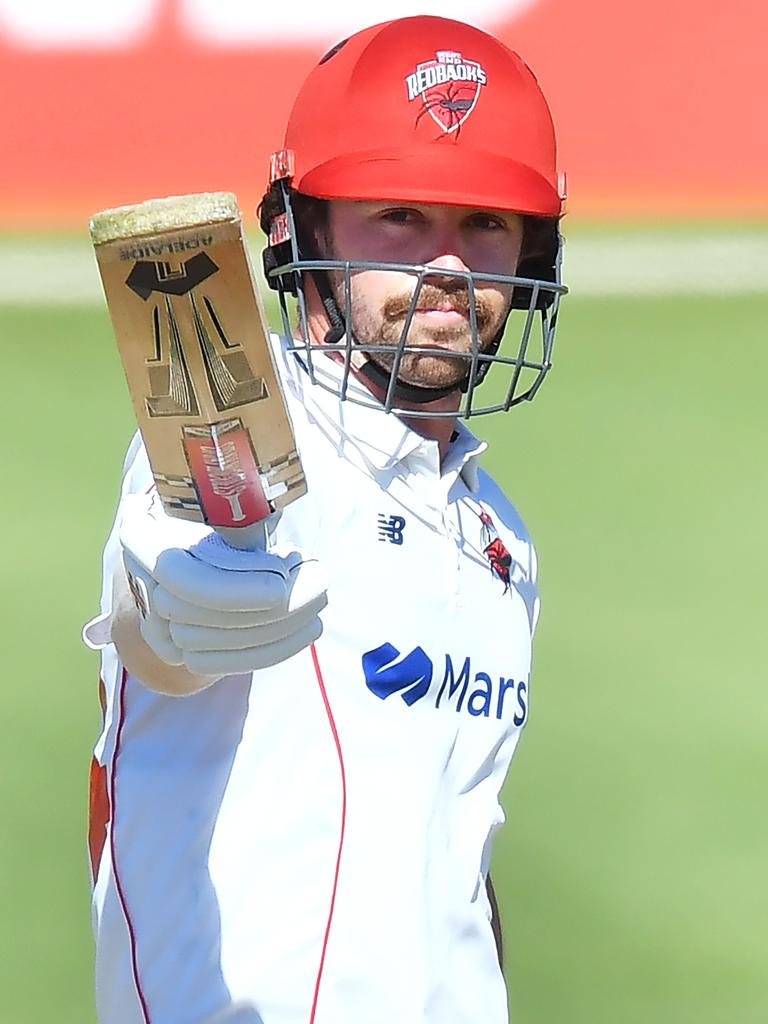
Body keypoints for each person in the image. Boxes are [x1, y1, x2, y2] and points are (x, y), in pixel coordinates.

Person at [83, 14, 567, 1024]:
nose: (449, 265)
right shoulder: (251, 433)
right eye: (399, 215)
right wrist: (175, 607)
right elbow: (158, 605)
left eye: (486, 222)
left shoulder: (502, 541)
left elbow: (456, 868)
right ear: (302, 235)